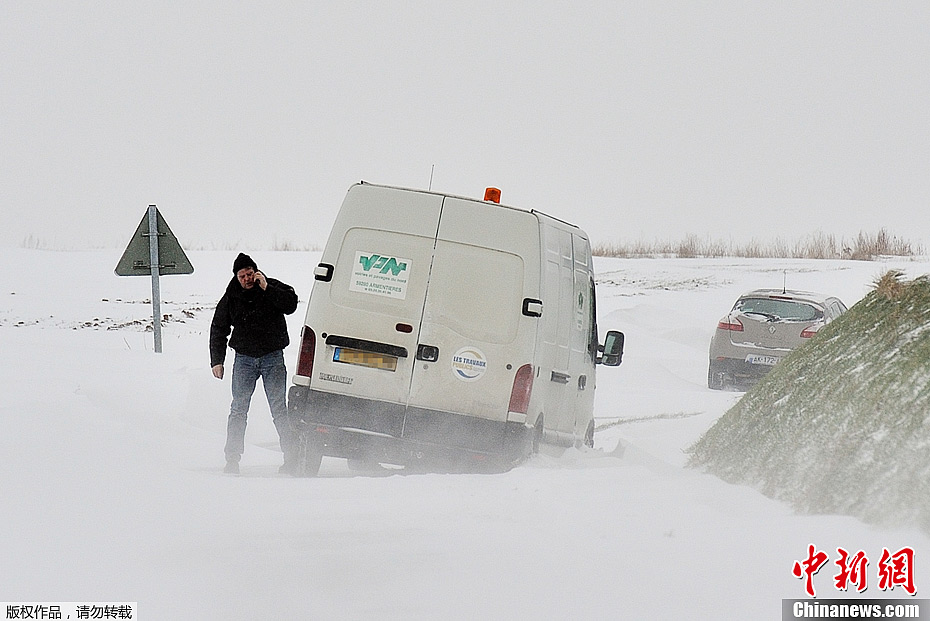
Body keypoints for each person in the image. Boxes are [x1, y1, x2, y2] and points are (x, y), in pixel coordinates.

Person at [210, 253, 299, 475]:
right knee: (238, 409)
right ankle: (232, 459)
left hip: (272, 358)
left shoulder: (271, 287)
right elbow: (219, 328)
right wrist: (217, 361)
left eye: (250, 274)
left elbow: (291, 305)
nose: (247, 279)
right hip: (244, 360)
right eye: (242, 276)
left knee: (279, 409)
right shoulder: (231, 296)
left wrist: (267, 287)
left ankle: (292, 457)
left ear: (256, 272)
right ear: (236, 277)